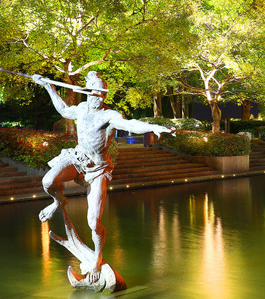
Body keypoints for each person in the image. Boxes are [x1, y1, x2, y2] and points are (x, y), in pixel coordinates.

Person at [33, 71, 173, 283]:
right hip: (77, 159)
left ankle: (98, 257)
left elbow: (131, 125)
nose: (98, 98)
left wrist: (152, 127)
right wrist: (48, 86)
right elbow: (62, 109)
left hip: (98, 169)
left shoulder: (109, 115)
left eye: (101, 95)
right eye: (95, 94)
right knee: (47, 182)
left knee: (93, 221)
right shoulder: (81, 109)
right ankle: (58, 200)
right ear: (88, 93)